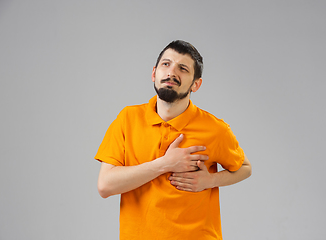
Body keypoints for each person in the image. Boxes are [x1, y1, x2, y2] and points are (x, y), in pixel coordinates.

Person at [95, 40, 252, 240]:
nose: (172, 73)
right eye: (166, 64)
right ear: (154, 73)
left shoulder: (215, 129)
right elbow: (105, 186)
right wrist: (164, 164)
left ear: (196, 84)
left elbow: (245, 167)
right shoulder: (128, 119)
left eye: (183, 68)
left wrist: (210, 180)